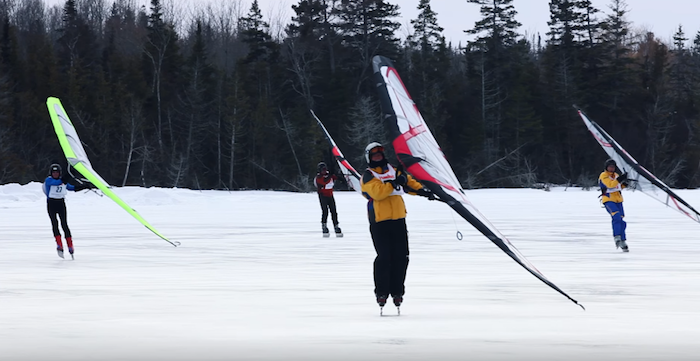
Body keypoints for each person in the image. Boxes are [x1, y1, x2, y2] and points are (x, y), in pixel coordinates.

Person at [360, 142, 435, 309]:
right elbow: (378, 193)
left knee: (402, 257)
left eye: (380, 155)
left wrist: (424, 191)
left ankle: (397, 291)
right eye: (375, 156)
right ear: (369, 158)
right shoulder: (368, 175)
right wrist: (394, 183)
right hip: (379, 221)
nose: (378, 157)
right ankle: (381, 292)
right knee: (384, 257)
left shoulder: (394, 170)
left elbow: (409, 183)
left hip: (398, 219)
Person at [43, 163, 94, 258]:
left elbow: (72, 188)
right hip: (51, 205)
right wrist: (70, 174)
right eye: (53, 172)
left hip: (61, 204)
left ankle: (70, 245)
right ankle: (59, 245)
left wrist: (84, 186)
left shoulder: (63, 181)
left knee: (64, 224)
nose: (55, 174)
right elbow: (57, 183)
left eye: (57, 172)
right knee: (55, 223)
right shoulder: (49, 180)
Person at [599, 159, 629, 252]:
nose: (611, 168)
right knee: (616, 216)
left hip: (618, 200)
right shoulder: (603, 175)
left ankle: (623, 241)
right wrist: (619, 179)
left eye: (613, 167)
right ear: (606, 167)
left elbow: (618, 186)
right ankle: (617, 237)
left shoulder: (616, 175)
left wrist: (625, 183)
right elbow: (610, 185)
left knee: (622, 221)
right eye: (610, 167)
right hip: (608, 200)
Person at [314, 161, 342, 237]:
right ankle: (324, 226)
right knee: (325, 211)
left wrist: (340, 176)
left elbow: (337, 178)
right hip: (323, 196)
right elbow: (324, 182)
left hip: (330, 196)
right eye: (323, 169)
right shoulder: (319, 178)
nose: (324, 171)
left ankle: (336, 226)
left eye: (325, 169)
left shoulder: (329, 175)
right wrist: (330, 175)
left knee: (334, 211)